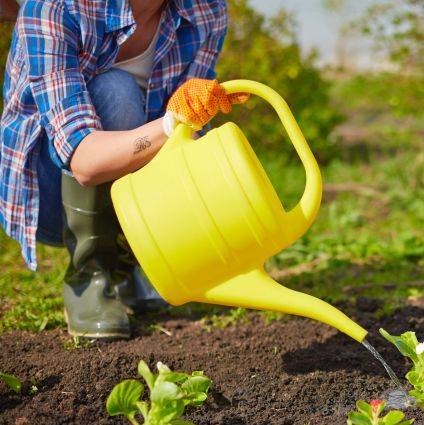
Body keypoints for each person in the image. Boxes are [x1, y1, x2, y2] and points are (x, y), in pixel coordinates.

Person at [1, 0, 246, 339]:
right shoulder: (55, 8)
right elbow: (84, 160)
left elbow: (186, 133)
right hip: (46, 194)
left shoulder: (206, 10)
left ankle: (131, 261)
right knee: (117, 91)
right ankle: (90, 276)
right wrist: (171, 125)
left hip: (129, 186)